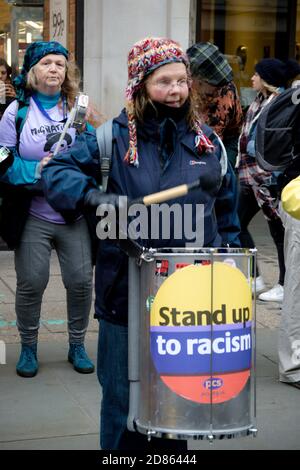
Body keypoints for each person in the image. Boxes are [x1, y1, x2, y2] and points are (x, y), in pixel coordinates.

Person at [42, 36, 240, 450]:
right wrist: (92, 196)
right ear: (139, 86)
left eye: (182, 81)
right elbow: (57, 173)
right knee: (121, 405)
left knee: (175, 405)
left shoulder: (208, 144)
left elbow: (227, 216)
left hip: (189, 302)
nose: (176, 91)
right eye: (164, 82)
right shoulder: (109, 141)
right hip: (125, 296)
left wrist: (229, 268)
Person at [0, 41, 95, 378]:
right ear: (32, 71)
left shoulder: (77, 107)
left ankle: (77, 344)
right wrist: (37, 171)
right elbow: (3, 160)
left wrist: (72, 161)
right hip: (33, 214)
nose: (54, 69)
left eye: (60, 64)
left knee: (81, 281)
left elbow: (92, 154)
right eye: (47, 63)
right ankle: (28, 347)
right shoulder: (16, 112)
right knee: (31, 282)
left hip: (72, 213)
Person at [236, 58, 286, 301]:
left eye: (256, 75)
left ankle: (285, 284)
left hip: (267, 178)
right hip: (249, 176)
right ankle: (254, 278)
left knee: (278, 232)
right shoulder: (259, 101)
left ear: (266, 79)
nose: (252, 79)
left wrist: (251, 146)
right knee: (236, 222)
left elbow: (275, 140)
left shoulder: (279, 104)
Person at [186, 41, 243, 169]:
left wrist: (226, 166)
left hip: (217, 162)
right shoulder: (178, 94)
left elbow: (234, 133)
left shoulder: (227, 90)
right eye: (213, 85)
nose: (218, 90)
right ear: (193, 79)